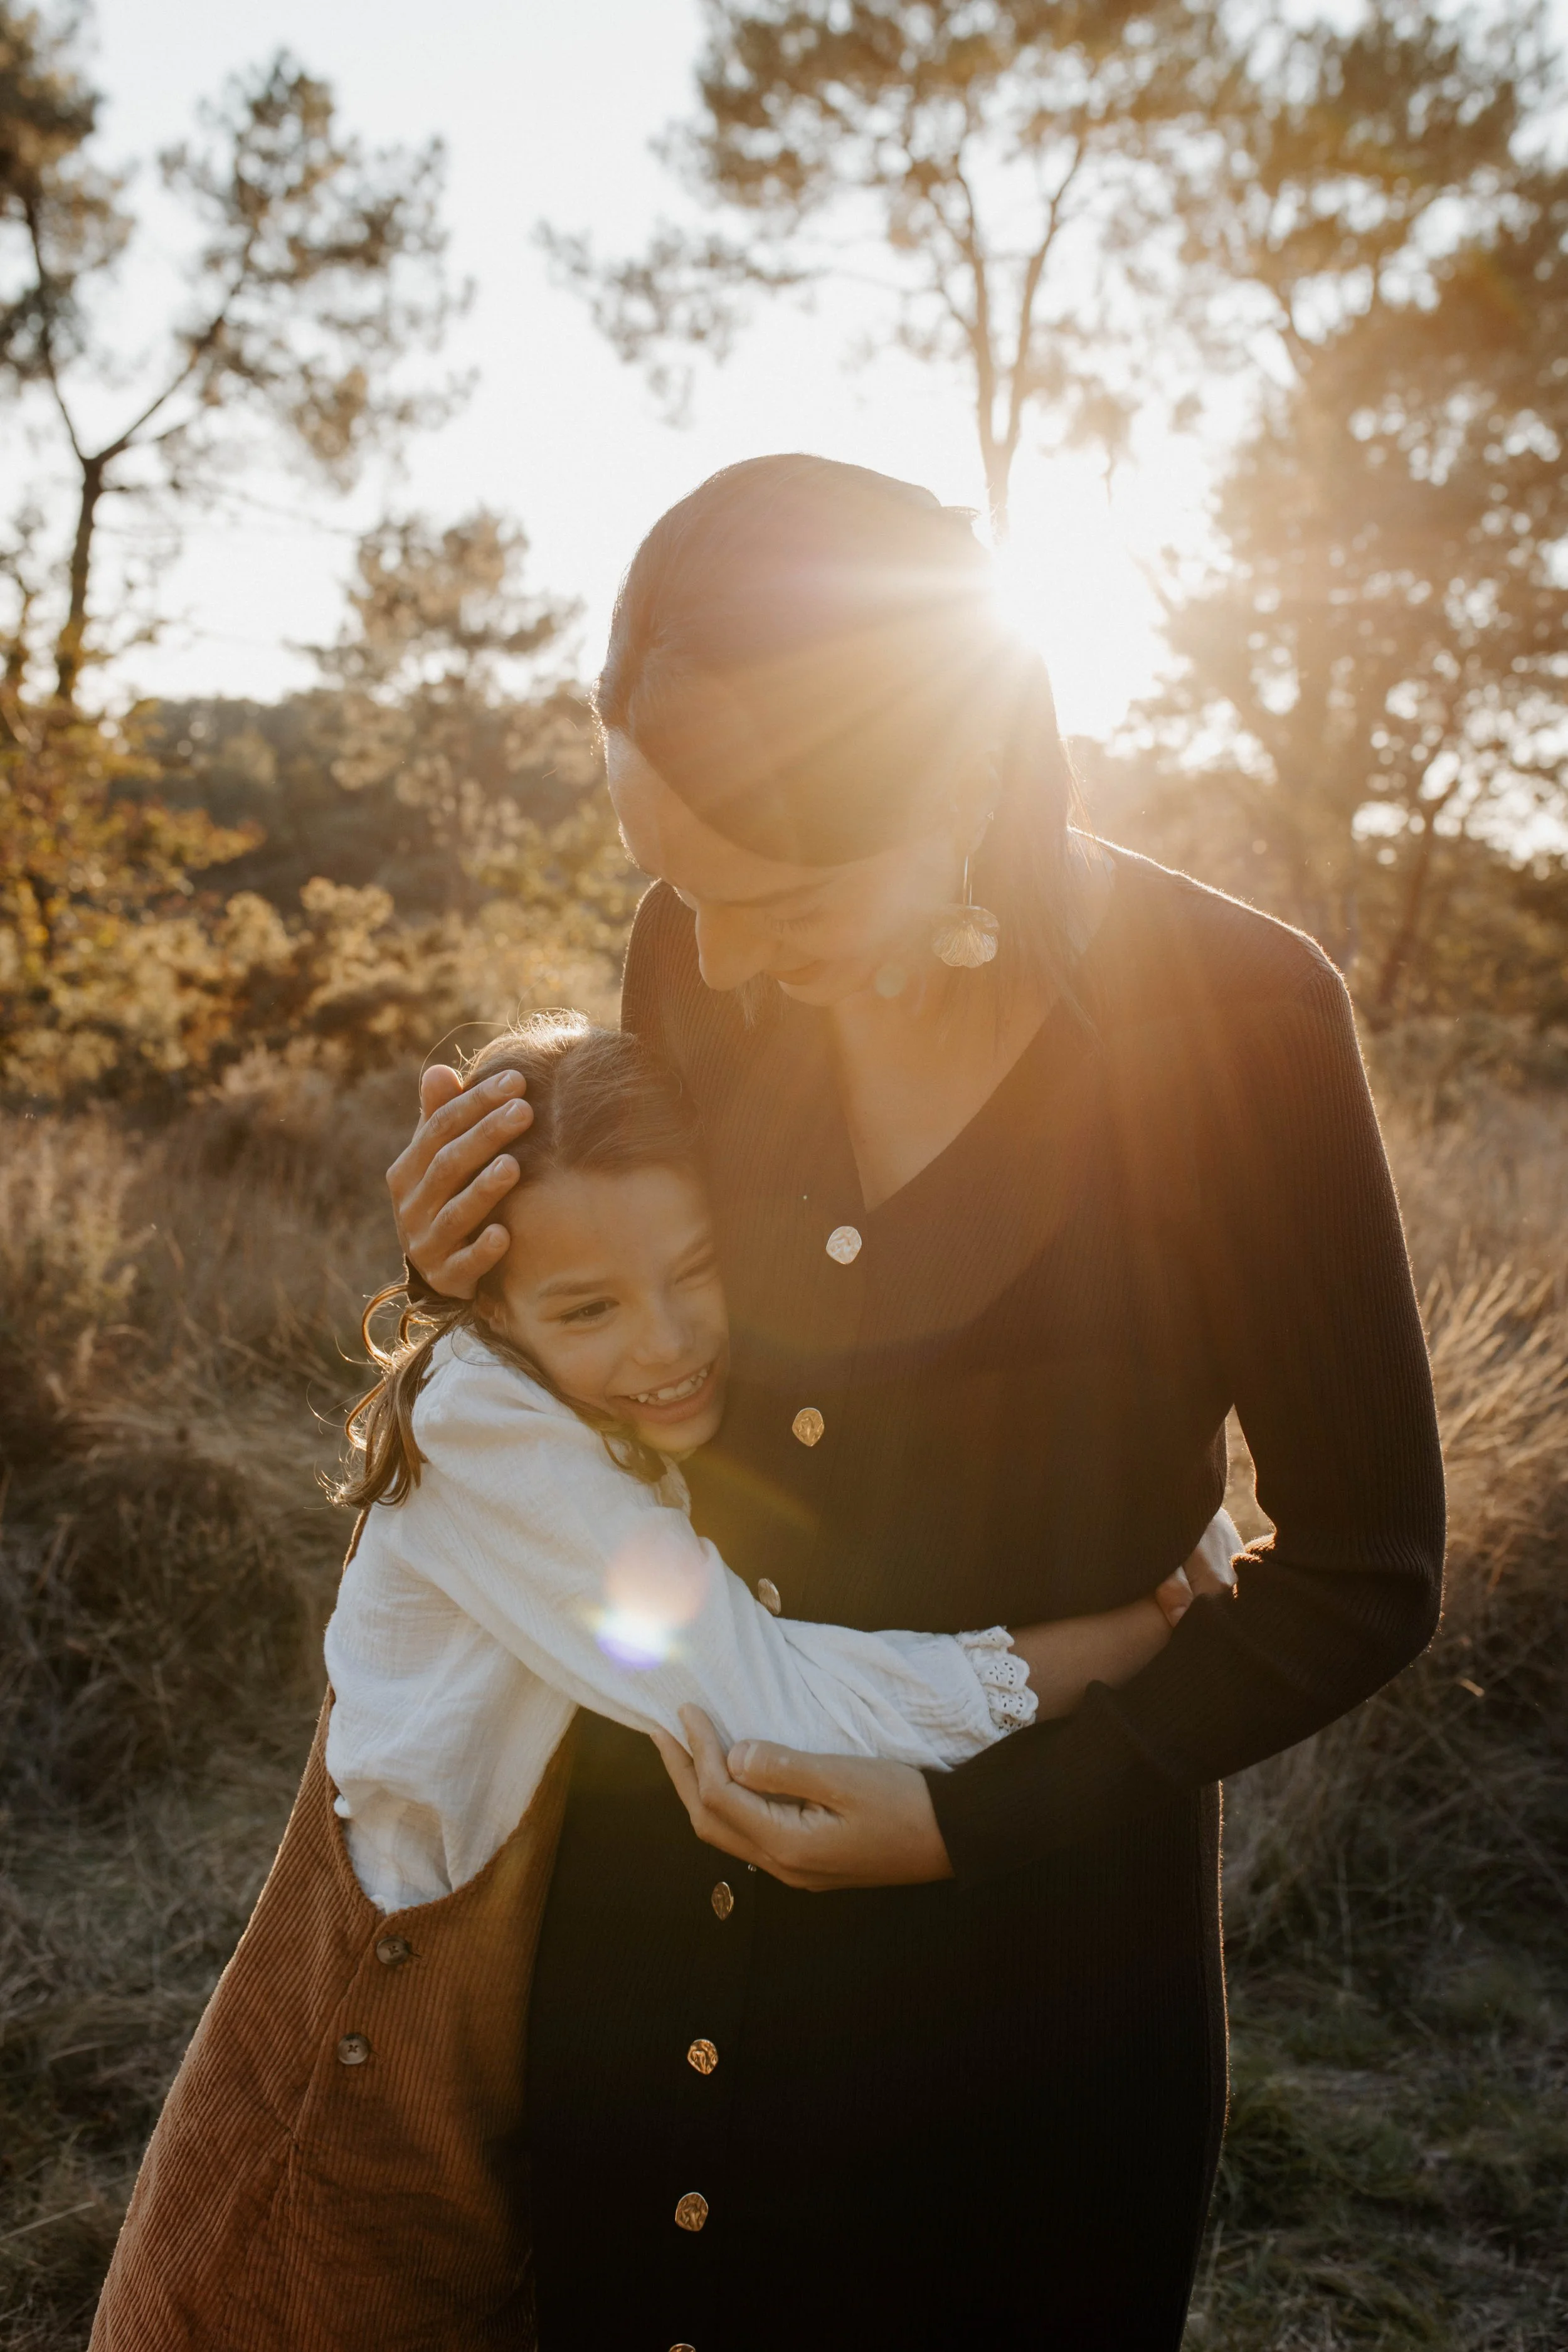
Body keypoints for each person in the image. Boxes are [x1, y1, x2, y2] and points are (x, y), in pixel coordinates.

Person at [389, 455, 1446, 2350]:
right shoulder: (697, 973)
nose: (705, 960)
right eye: (674, 890)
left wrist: (982, 1815)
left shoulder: (1242, 1027)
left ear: (958, 775)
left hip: (1025, 1998)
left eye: (774, 894)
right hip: (647, 1946)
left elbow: (1366, 1570)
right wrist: (457, 1238)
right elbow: (621, 1354)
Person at [91, 1009, 1229, 2352]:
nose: (669, 1343)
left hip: (490, 2073)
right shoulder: (483, 1430)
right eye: (589, 1308)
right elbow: (765, 1710)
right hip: (358, 2085)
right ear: (482, 1298)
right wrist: (1124, 1644)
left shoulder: (607, 1404)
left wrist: (1163, 1510)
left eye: (699, 1271)